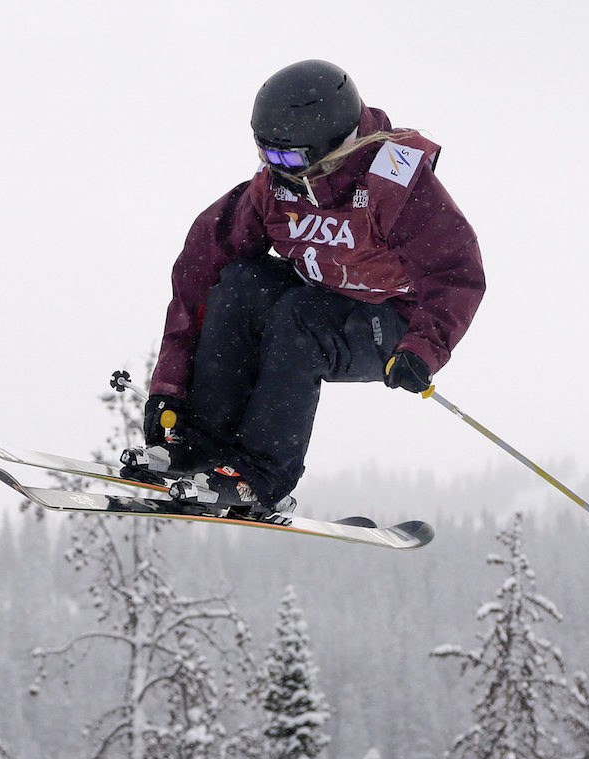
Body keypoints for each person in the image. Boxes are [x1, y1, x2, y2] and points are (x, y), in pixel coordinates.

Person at [135, 59, 485, 514]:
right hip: (317, 294)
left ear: (334, 146)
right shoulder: (273, 189)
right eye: (267, 156)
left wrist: (424, 347)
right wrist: (170, 386)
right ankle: (202, 440)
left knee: (300, 322)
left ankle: (262, 475)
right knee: (240, 283)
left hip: (394, 320)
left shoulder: (393, 186)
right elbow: (200, 269)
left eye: (289, 160)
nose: (278, 171)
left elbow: (455, 270)